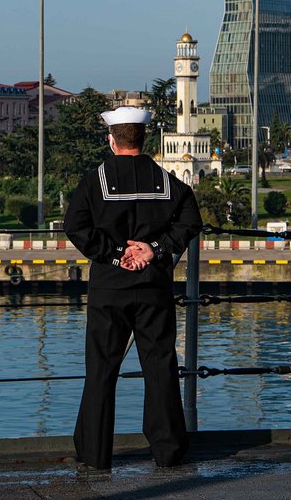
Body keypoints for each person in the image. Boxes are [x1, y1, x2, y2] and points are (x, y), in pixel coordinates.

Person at [64, 106, 203, 471]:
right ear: (144, 138)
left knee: (101, 369)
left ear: (112, 140)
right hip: (153, 285)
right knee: (160, 366)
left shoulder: (94, 181)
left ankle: (95, 453)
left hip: (110, 288)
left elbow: (74, 226)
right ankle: (168, 449)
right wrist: (154, 249)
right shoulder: (167, 180)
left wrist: (114, 254)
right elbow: (191, 220)